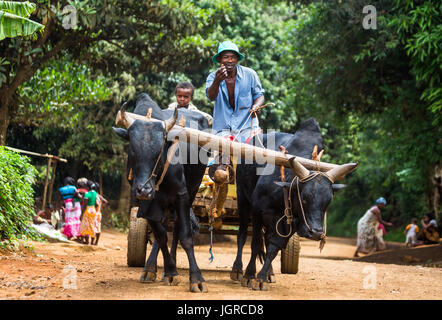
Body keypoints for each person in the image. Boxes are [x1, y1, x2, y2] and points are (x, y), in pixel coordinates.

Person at [205, 40, 265, 222]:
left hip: (248, 125)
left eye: (232, 57)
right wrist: (218, 79)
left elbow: (260, 95)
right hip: (223, 128)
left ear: (237, 59)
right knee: (222, 163)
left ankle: (257, 190)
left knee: (257, 156)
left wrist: (256, 106)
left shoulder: (250, 75)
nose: (229, 60)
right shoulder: (213, 76)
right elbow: (210, 96)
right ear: (220, 61)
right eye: (226, 57)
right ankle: (221, 186)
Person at [79, 180, 99, 245]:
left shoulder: (87, 194)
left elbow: (85, 204)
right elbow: (96, 203)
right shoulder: (95, 193)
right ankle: (92, 241)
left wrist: (82, 213)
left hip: (88, 210)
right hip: (93, 210)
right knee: (92, 225)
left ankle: (85, 241)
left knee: (85, 225)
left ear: (87, 187)